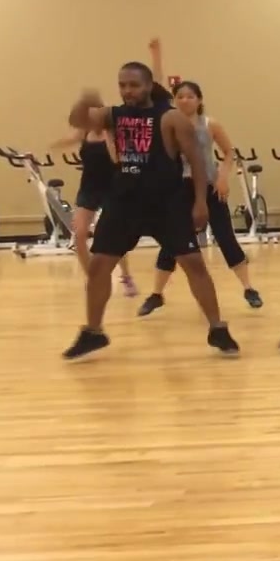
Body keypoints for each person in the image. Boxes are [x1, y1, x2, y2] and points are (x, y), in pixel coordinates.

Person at [61, 62, 239, 360]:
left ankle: (217, 328)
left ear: (148, 86)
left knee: (194, 264)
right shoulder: (113, 115)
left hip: (166, 202)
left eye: (134, 85)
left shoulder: (170, 118)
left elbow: (196, 161)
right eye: (122, 85)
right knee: (99, 266)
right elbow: (77, 120)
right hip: (124, 201)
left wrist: (200, 202)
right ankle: (93, 332)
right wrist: (84, 101)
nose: (127, 91)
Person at [137, 81, 264, 315]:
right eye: (180, 96)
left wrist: (223, 177)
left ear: (199, 100)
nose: (185, 100)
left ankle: (249, 288)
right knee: (172, 242)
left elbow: (229, 152)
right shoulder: (167, 124)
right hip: (178, 189)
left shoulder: (209, 124)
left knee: (226, 238)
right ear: (174, 100)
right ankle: (156, 294)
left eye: (190, 96)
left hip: (209, 186)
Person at [48, 130, 137, 296]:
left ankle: (126, 276)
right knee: (79, 235)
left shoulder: (112, 132)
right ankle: (92, 278)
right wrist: (51, 145)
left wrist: (110, 137)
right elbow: (67, 140)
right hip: (89, 190)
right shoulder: (84, 132)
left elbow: (117, 159)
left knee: (114, 237)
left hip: (112, 189)